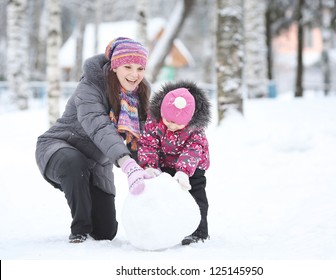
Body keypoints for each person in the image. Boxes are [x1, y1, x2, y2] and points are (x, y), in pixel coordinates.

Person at [35, 37, 150, 243]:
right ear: (115, 66)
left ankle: (83, 188)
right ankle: (79, 229)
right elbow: (98, 125)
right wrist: (126, 163)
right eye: (128, 66)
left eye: (140, 68)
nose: (135, 74)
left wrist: (149, 167)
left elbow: (140, 139)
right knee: (74, 163)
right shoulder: (90, 86)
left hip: (97, 162)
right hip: (59, 147)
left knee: (105, 232)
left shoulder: (138, 97)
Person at [138, 80, 211, 245]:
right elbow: (148, 144)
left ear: (189, 120)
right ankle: (167, 228)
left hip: (193, 167)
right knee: (166, 196)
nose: (171, 125)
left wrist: (184, 171)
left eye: (178, 123)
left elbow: (193, 150)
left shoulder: (195, 129)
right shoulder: (154, 121)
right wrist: (150, 166)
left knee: (195, 195)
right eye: (168, 120)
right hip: (165, 163)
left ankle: (199, 231)